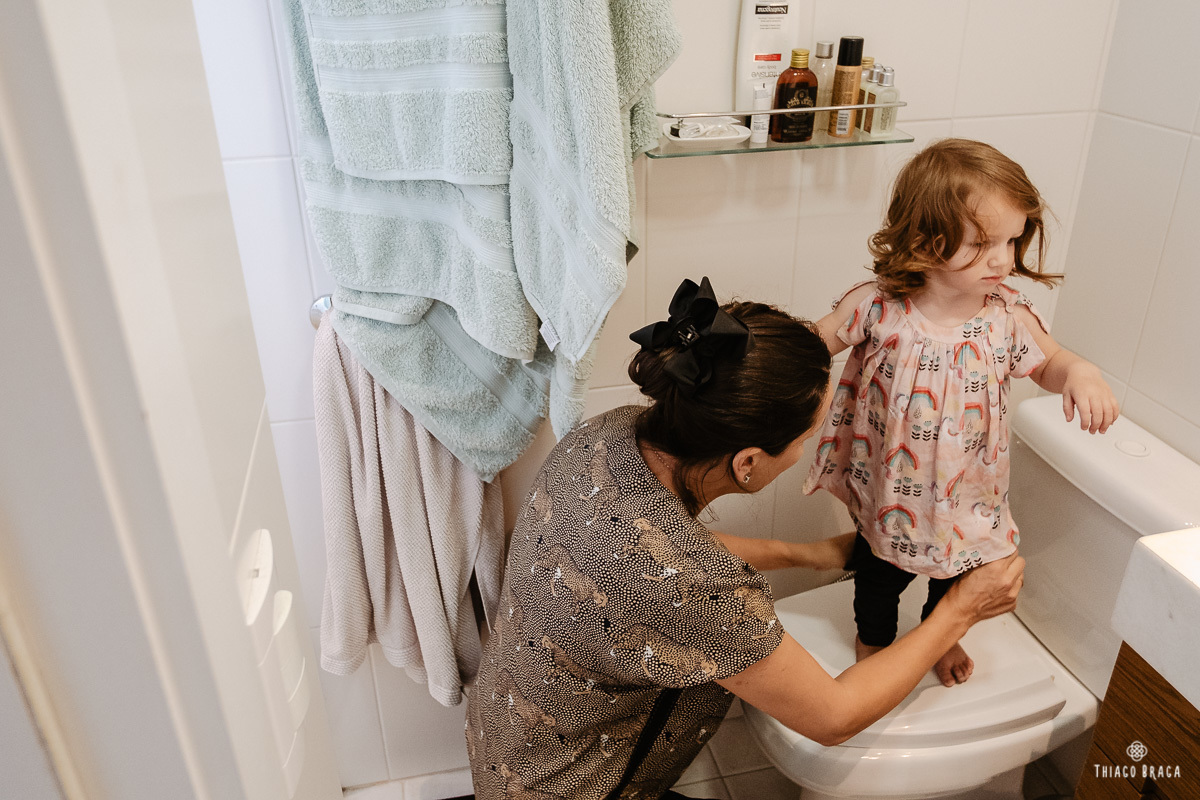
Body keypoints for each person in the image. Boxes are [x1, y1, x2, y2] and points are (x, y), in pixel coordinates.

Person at [465, 276, 1026, 800]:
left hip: (510, 746)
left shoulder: (611, 432)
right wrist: (958, 611)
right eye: (808, 436)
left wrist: (807, 555)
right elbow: (832, 716)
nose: (810, 447)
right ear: (749, 463)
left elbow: (652, 558)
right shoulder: (691, 588)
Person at [804, 138, 1119, 689]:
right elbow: (813, 344)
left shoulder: (1007, 318)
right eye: (982, 244)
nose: (1002, 259)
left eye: (1011, 240)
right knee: (879, 575)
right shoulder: (879, 307)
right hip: (893, 492)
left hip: (970, 491)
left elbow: (1051, 364)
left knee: (958, 577)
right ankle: (873, 642)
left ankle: (941, 634)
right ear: (925, 242)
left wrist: (1082, 372)